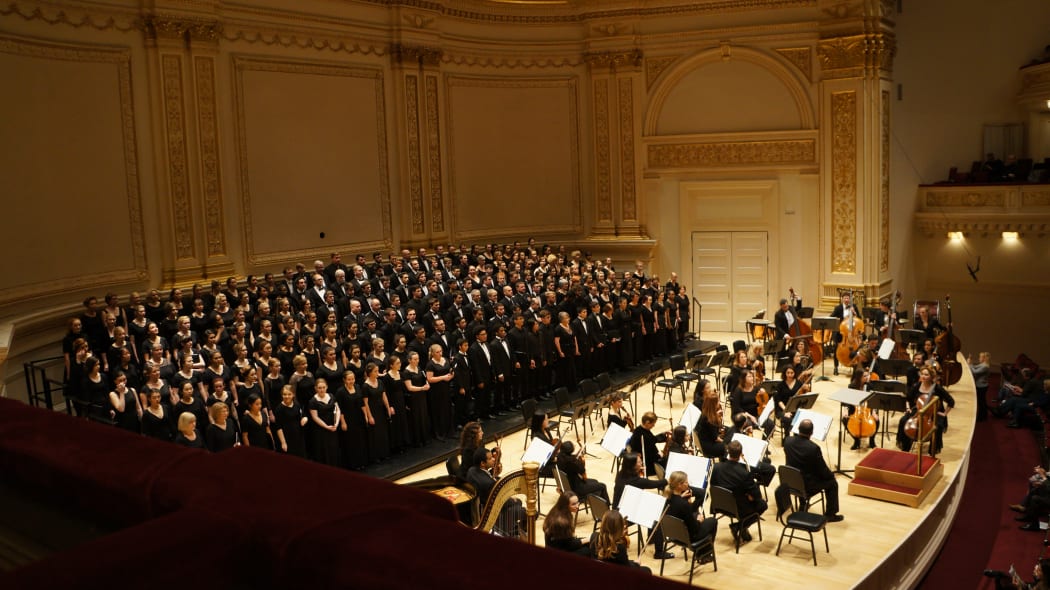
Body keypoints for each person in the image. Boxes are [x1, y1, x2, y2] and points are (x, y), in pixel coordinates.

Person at [783, 418, 843, 522]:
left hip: (790, 482)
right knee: (832, 483)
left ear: (798, 429)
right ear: (811, 433)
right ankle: (830, 514)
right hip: (806, 486)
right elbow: (822, 470)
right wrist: (831, 475)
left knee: (800, 472)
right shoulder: (813, 448)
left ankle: (803, 503)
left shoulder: (788, 441)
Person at [711, 440, 767, 542]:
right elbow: (757, 496)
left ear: (728, 452)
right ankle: (739, 526)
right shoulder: (744, 473)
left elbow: (713, 485)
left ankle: (742, 528)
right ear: (741, 455)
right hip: (737, 508)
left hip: (719, 504)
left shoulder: (716, 467)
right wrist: (749, 495)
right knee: (763, 505)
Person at [466, 446, 525, 538]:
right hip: (489, 514)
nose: (494, 459)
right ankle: (511, 531)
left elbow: (487, 477)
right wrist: (511, 498)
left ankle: (513, 528)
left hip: (480, 506)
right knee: (520, 504)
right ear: (482, 463)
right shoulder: (489, 484)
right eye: (490, 458)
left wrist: (495, 475)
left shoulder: (472, 470)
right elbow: (500, 502)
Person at [896, 366, 955, 453]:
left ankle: (932, 451)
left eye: (926, 375)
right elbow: (908, 399)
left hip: (933, 413)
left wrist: (945, 413)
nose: (923, 376)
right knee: (903, 420)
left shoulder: (937, 388)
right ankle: (906, 448)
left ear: (931, 376)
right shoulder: (917, 385)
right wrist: (908, 408)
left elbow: (951, 402)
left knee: (937, 428)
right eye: (922, 374)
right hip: (918, 410)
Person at [661, 470, 718, 547]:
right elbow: (694, 529)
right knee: (713, 521)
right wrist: (699, 521)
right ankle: (704, 552)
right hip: (687, 537)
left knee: (695, 514)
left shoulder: (666, 498)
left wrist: (682, 498)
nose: (688, 484)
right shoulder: (683, 504)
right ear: (679, 485)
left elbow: (677, 507)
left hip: (673, 533)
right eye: (686, 482)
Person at [543, 491, 589, 556]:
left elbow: (567, 541)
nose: (577, 506)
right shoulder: (562, 522)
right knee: (588, 550)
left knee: (589, 542)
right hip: (557, 555)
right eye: (573, 504)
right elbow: (569, 545)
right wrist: (587, 539)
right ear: (565, 505)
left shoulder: (556, 511)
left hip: (559, 545)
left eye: (577, 502)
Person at [308, 378, 341, 466]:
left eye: (323, 387)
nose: (322, 389)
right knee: (324, 449)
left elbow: (337, 410)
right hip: (321, 429)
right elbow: (315, 417)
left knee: (333, 448)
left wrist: (336, 423)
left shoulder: (331, 396)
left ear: (326, 387)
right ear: (315, 388)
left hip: (333, 426)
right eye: (319, 388)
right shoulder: (313, 401)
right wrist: (326, 427)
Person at [830, 292, 861, 376]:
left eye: (848, 298)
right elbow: (831, 317)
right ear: (842, 299)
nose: (847, 300)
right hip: (841, 332)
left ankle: (855, 366)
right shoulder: (838, 308)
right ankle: (835, 367)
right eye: (845, 298)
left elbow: (860, 319)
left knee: (857, 348)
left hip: (852, 332)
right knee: (836, 348)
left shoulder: (854, 307)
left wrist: (854, 313)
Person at [273, 384, 307, 458]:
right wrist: (283, 442)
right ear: (282, 395)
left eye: (289, 394)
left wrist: (305, 418)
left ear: (293, 395)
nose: (287, 396)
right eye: (284, 394)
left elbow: (302, 415)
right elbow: (278, 427)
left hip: (298, 437)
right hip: (287, 438)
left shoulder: (296, 404)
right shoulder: (279, 409)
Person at [630, 412, 664, 476]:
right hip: (647, 464)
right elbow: (650, 453)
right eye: (653, 424)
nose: (653, 426)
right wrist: (660, 455)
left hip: (646, 455)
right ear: (647, 422)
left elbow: (652, 439)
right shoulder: (643, 436)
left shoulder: (638, 429)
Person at [968, 351, 991, 421]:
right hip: (980, 385)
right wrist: (971, 362)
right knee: (981, 401)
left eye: (980, 357)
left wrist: (970, 364)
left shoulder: (985, 366)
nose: (979, 358)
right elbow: (974, 367)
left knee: (981, 402)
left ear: (984, 358)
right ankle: (983, 416)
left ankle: (982, 417)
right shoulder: (982, 364)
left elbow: (975, 371)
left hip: (982, 386)